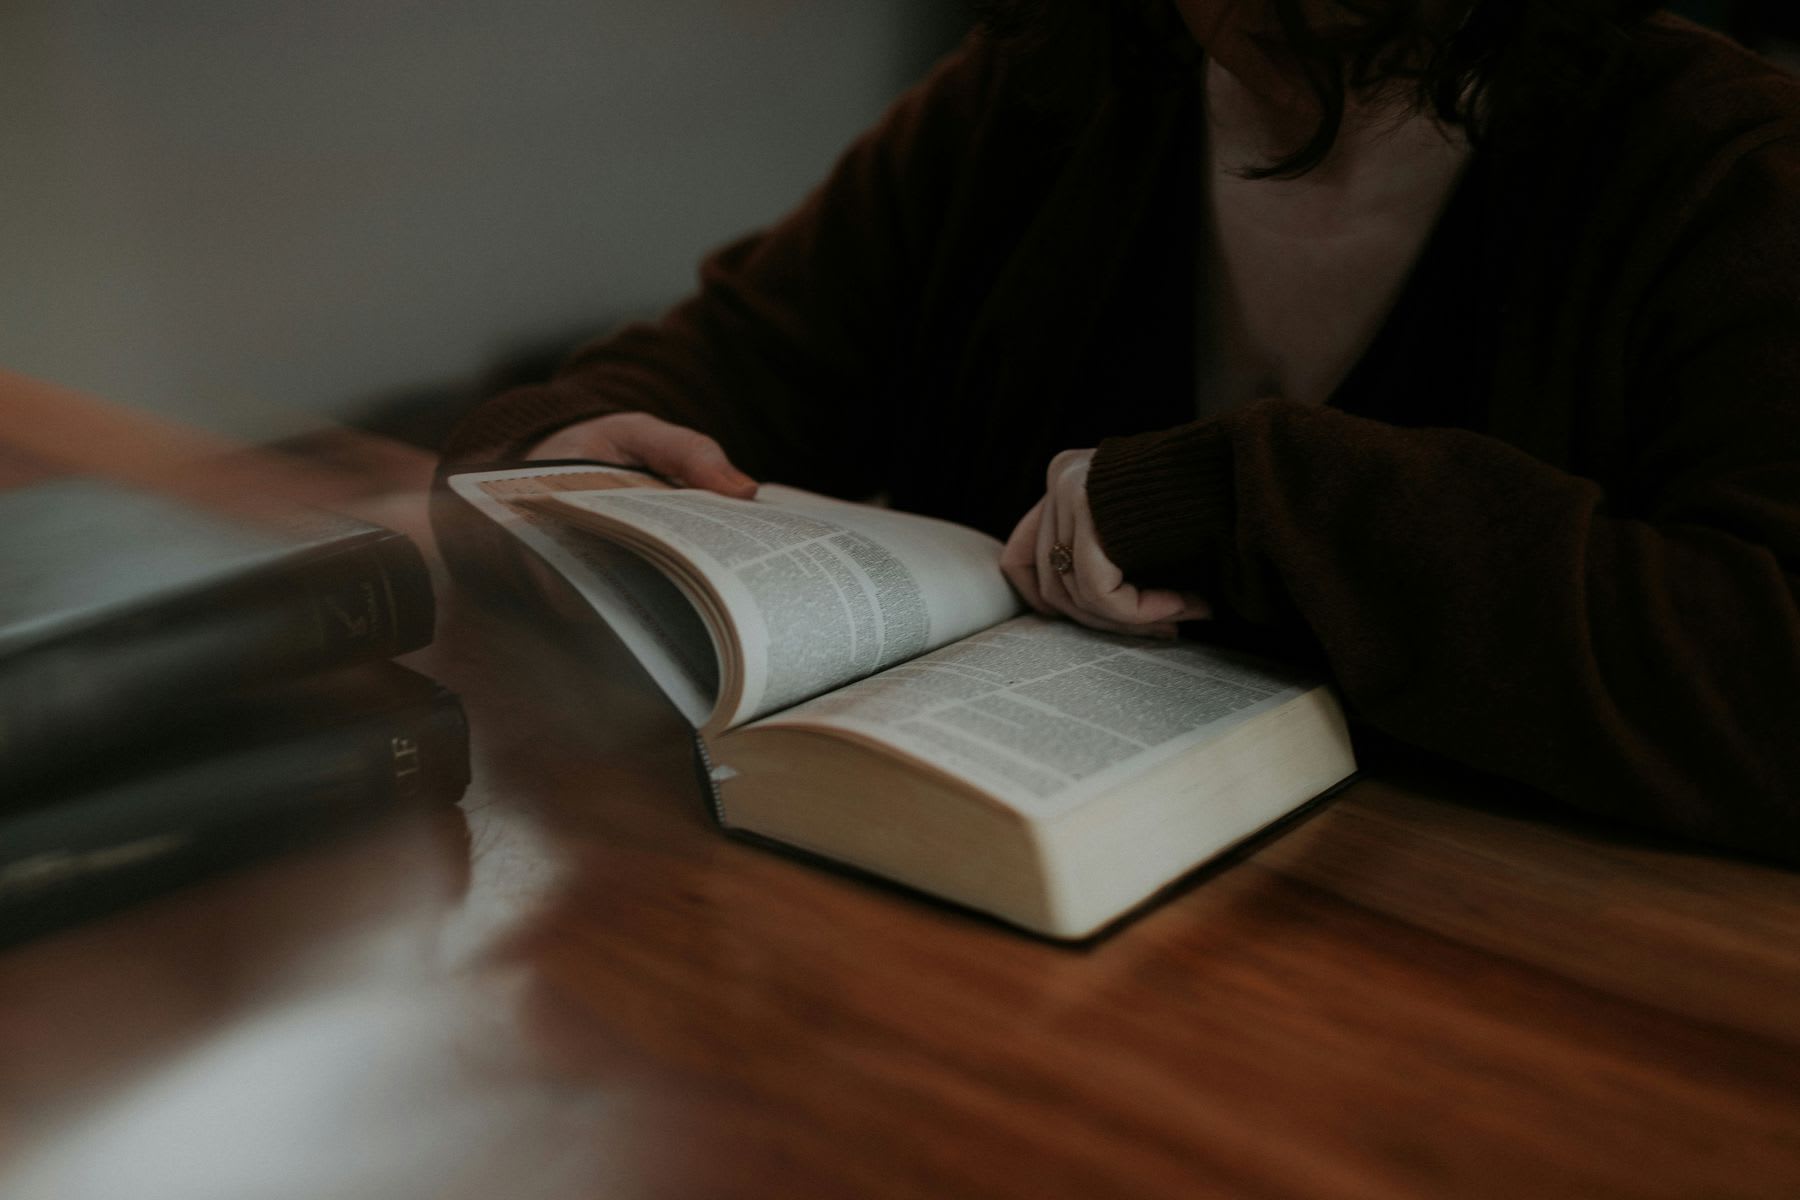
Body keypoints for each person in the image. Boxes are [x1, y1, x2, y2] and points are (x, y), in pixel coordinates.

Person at [442, 1, 1800, 860]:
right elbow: (702, 372)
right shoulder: (1045, 88)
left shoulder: (1716, 161)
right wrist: (559, 451)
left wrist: (1269, 498)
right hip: (968, 982)